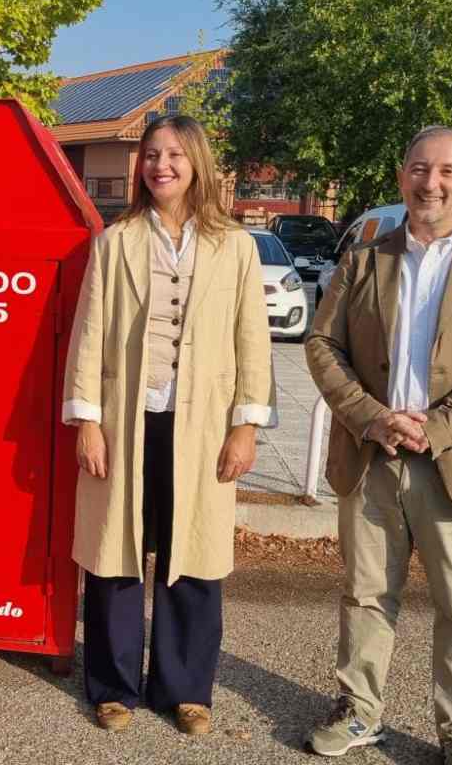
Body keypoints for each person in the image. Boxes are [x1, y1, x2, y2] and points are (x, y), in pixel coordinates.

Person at [304, 126, 452, 764]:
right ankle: (359, 710)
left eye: (445, 171)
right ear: (401, 175)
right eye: (418, 168)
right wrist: (370, 417)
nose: (429, 183)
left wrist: (436, 426)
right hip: (372, 455)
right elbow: (322, 345)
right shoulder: (364, 259)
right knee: (364, 594)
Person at [62, 115, 276, 735]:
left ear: (198, 164)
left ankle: (186, 689)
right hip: (127, 419)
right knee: (115, 554)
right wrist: (88, 421)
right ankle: (113, 686)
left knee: (196, 555)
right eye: (151, 154)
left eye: (175, 155)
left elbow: (252, 342)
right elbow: (89, 336)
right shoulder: (117, 240)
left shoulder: (234, 244)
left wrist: (247, 426)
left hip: (203, 425)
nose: (161, 165)